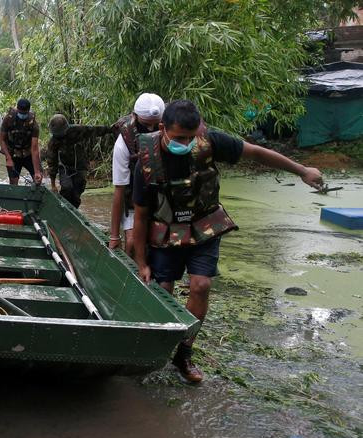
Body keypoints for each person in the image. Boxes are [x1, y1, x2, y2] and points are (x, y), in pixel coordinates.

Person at [131, 99, 324, 383]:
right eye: (178, 138)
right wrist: (140, 261)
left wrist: (302, 171)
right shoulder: (147, 161)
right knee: (163, 291)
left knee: (201, 285)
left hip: (205, 227)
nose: (185, 143)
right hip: (166, 233)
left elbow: (256, 153)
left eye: (191, 137)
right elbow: (140, 216)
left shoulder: (211, 141)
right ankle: (155, 347)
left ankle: (184, 354)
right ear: (162, 129)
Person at [110, 93, 165, 257]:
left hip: (164, 195)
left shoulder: (174, 131)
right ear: (134, 117)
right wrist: (114, 235)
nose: (151, 130)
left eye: (156, 125)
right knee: (133, 243)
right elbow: (119, 189)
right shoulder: (124, 142)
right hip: (135, 195)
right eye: (146, 125)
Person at [46, 114, 111, 207]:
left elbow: (94, 130)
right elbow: (52, 162)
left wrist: (110, 129)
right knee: (67, 189)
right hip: (65, 167)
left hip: (81, 166)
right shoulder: (53, 142)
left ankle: (74, 211)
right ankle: (64, 209)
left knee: (77, 193)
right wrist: (53, 185)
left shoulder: (77, 130)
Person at [0, 98, 43, 186]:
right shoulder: (8, 119)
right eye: (21, 113)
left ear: (28, 110)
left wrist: (37, 171)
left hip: (28, 154)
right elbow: (2, 140)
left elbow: (34, 148)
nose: (22, 115)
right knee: (13, 183)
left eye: (25, 113)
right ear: (17, 109)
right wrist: (8, 158)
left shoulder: (33, 123)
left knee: (38, 179)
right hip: (13, 154)